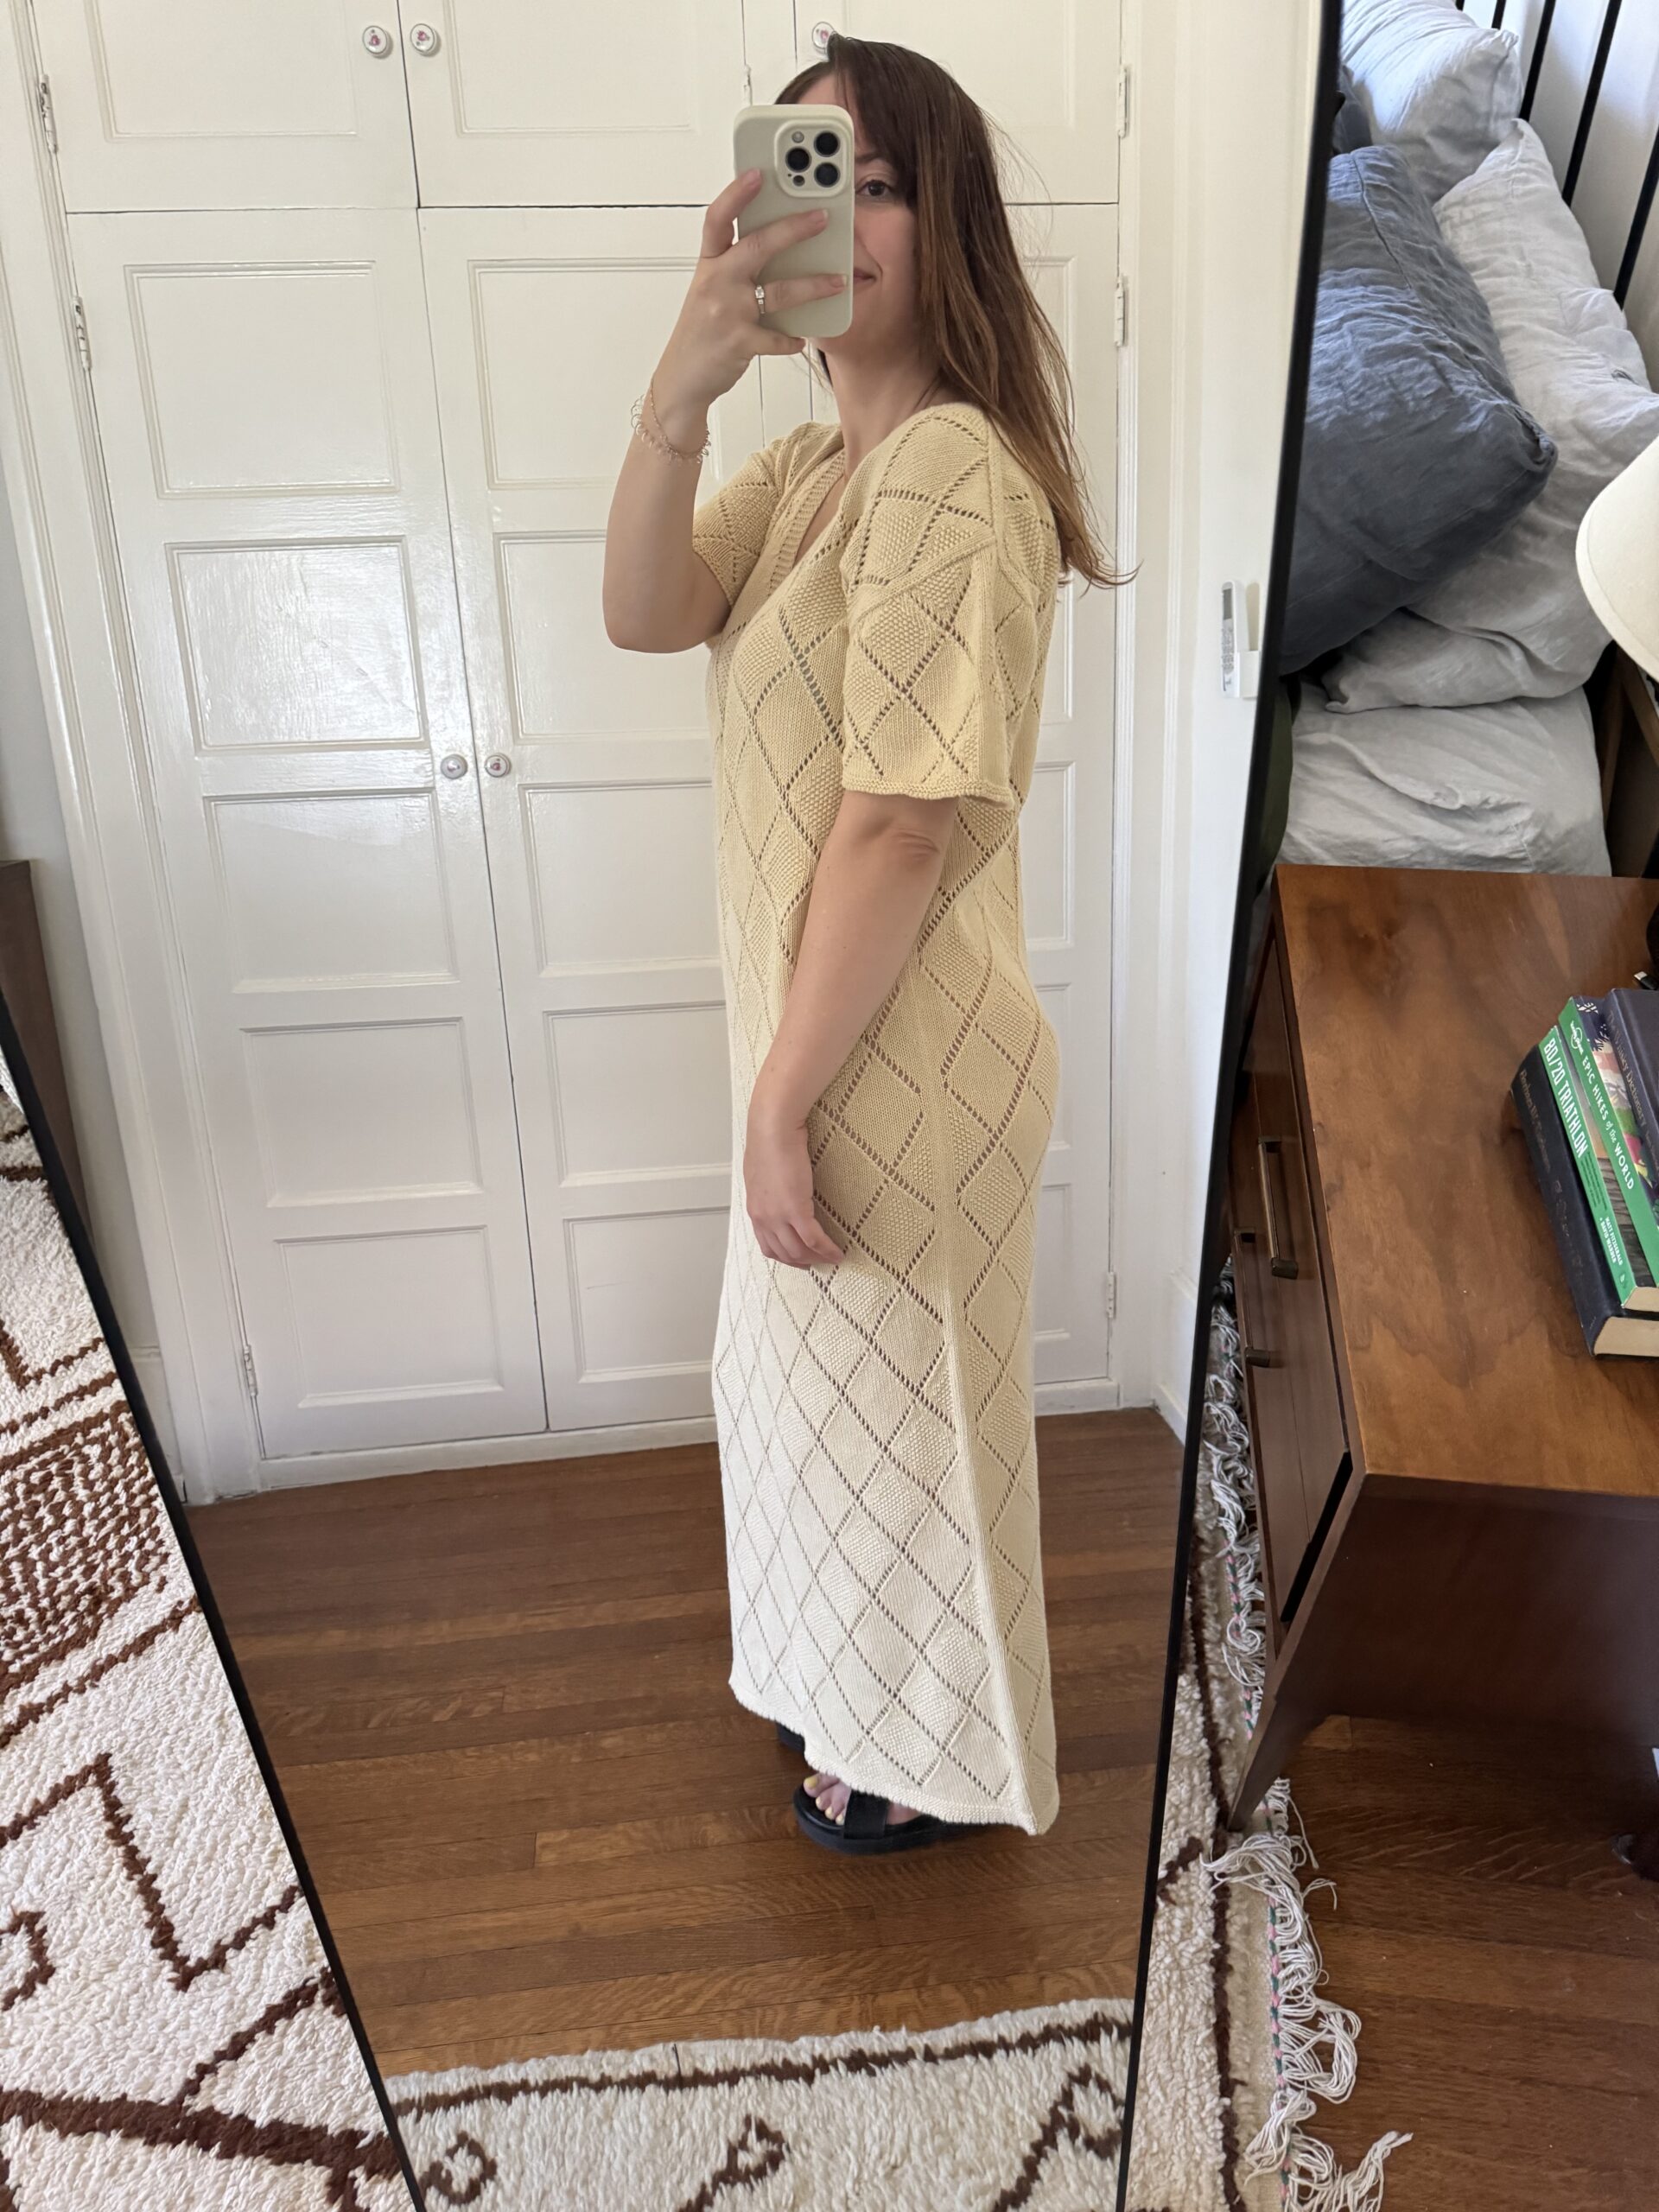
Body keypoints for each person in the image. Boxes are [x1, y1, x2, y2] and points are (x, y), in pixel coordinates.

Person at [603, 33, 1116, 1856]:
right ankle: (862, 1702)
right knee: (829, 1410)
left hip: (894, 1063)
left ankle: (925, 1753)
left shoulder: (952, 470)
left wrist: (779, 1103)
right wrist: (685, 378)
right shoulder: (820, 471)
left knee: (897, 1428)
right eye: (810, 178)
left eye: (878, 182)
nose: (843, 218)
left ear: (943, 221)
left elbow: (900, 825)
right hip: (836, 1044)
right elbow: (644, 609)